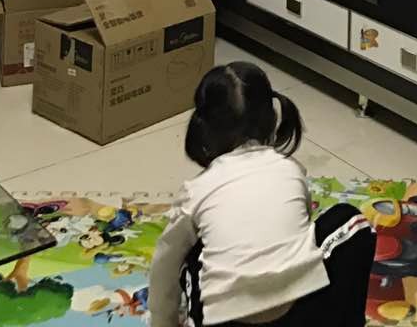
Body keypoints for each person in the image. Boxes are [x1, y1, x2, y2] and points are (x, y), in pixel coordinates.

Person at [149, 62, 374, 327]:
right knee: (351, 220)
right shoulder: (290, 169)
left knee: (185, 248)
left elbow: (164, 266)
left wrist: (162, 321)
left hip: (226, 322)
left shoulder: (196, 190)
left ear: (204, 128)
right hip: (300, 317)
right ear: (271, 119)